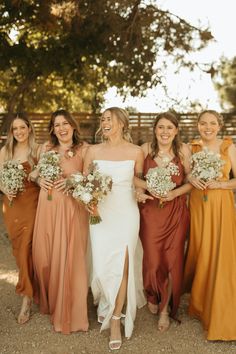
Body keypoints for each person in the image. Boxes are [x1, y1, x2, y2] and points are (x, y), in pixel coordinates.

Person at [83, 107, 147, 350]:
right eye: (103, 119)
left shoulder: (136, 151)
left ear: (122, 123)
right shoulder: (92, 151)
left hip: (127, 212)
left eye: (110, 118)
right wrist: (87, 201)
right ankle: (106, 301)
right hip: (100, 212)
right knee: (101, 265)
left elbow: (137, 181)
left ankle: (117, 318)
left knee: (122, 264)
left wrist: (143, 192)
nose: (105, 122)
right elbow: (84, 181)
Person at [32, 109, 89, 334]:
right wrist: (39, 179)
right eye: (57, 125)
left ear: (73, 126)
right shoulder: (46, 149)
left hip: (72, 209)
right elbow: (33, 173)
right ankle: (51, 300)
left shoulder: (85, 149)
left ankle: (71, 312)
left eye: (66, 123)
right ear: (53, 130)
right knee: (43, 256)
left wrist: (74, 181)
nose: (62, 128)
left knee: (69, 259)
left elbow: (90, 177)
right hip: (47, 208)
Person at [135, 112, 191, 332]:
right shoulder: (145, 150)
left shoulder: (183, 151)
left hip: (176, 212)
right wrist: (145, 189)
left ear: (176, 130)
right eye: (161, 127)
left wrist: (174, 194)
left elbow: (190, 181)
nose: (165, 132)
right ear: (155, 129)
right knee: (153, 259)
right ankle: (152, 292)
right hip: (150, 213)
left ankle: (165, 309)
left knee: (172, 260)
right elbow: (135, 177)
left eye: (169, 128)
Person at [183, 109, 236, 340]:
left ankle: (221, 307)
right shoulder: (189, 147)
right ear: (197, 125)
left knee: (221, 254)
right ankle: (199, 303)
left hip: (222, 205)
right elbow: (184, 176)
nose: (207, 127)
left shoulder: (228, 147)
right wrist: (190, 178)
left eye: (212, 123)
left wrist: (220, 185)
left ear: (219, 125)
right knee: (201, 251)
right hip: (198, 206)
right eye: (203, 123)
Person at [0, 113, 40, 324]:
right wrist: (5, 189)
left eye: (22, 127)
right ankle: (31, 286)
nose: (19, 132)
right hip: (12, 204)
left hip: (32, 204)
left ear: (29, 128)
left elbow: (43, 178)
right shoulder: (6, 151)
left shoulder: (37, 151)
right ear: (11, 132)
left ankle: (26, 299)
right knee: (18, 250)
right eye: (15, 129)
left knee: (27, 247)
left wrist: (36, 175)